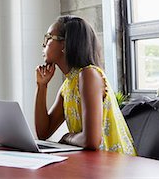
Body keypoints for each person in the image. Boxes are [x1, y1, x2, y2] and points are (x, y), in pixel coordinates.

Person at [34, 15, 136, 155]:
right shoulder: (68, 85)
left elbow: (91, 140)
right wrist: (42, 86)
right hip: (91, 162)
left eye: (49, 37)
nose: (43, 44)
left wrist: (66, 137)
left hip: (113, 164)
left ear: (65, 44)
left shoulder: (89, 75)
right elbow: (43, 132)